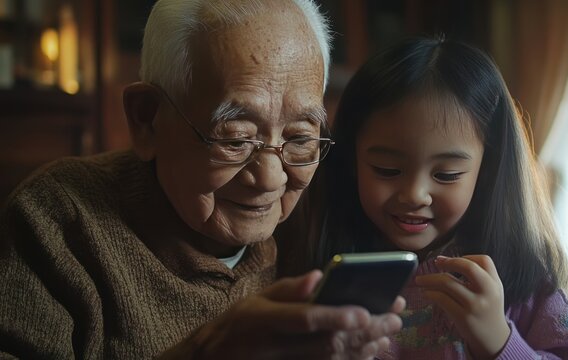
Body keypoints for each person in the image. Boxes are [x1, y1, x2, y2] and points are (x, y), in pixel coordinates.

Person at [0, 0, 404, 358]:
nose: (269, 178)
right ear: (148, 119)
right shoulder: (58, 221)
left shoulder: (315, 223)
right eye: (236, 138)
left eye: (299, 138)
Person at [282, 37, 568, 358]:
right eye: (387, 170)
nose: (415, 195)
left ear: (486, 171)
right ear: (351, 161)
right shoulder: (318, 270)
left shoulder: (523, 276)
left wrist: (500, 342)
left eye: (446, 175)